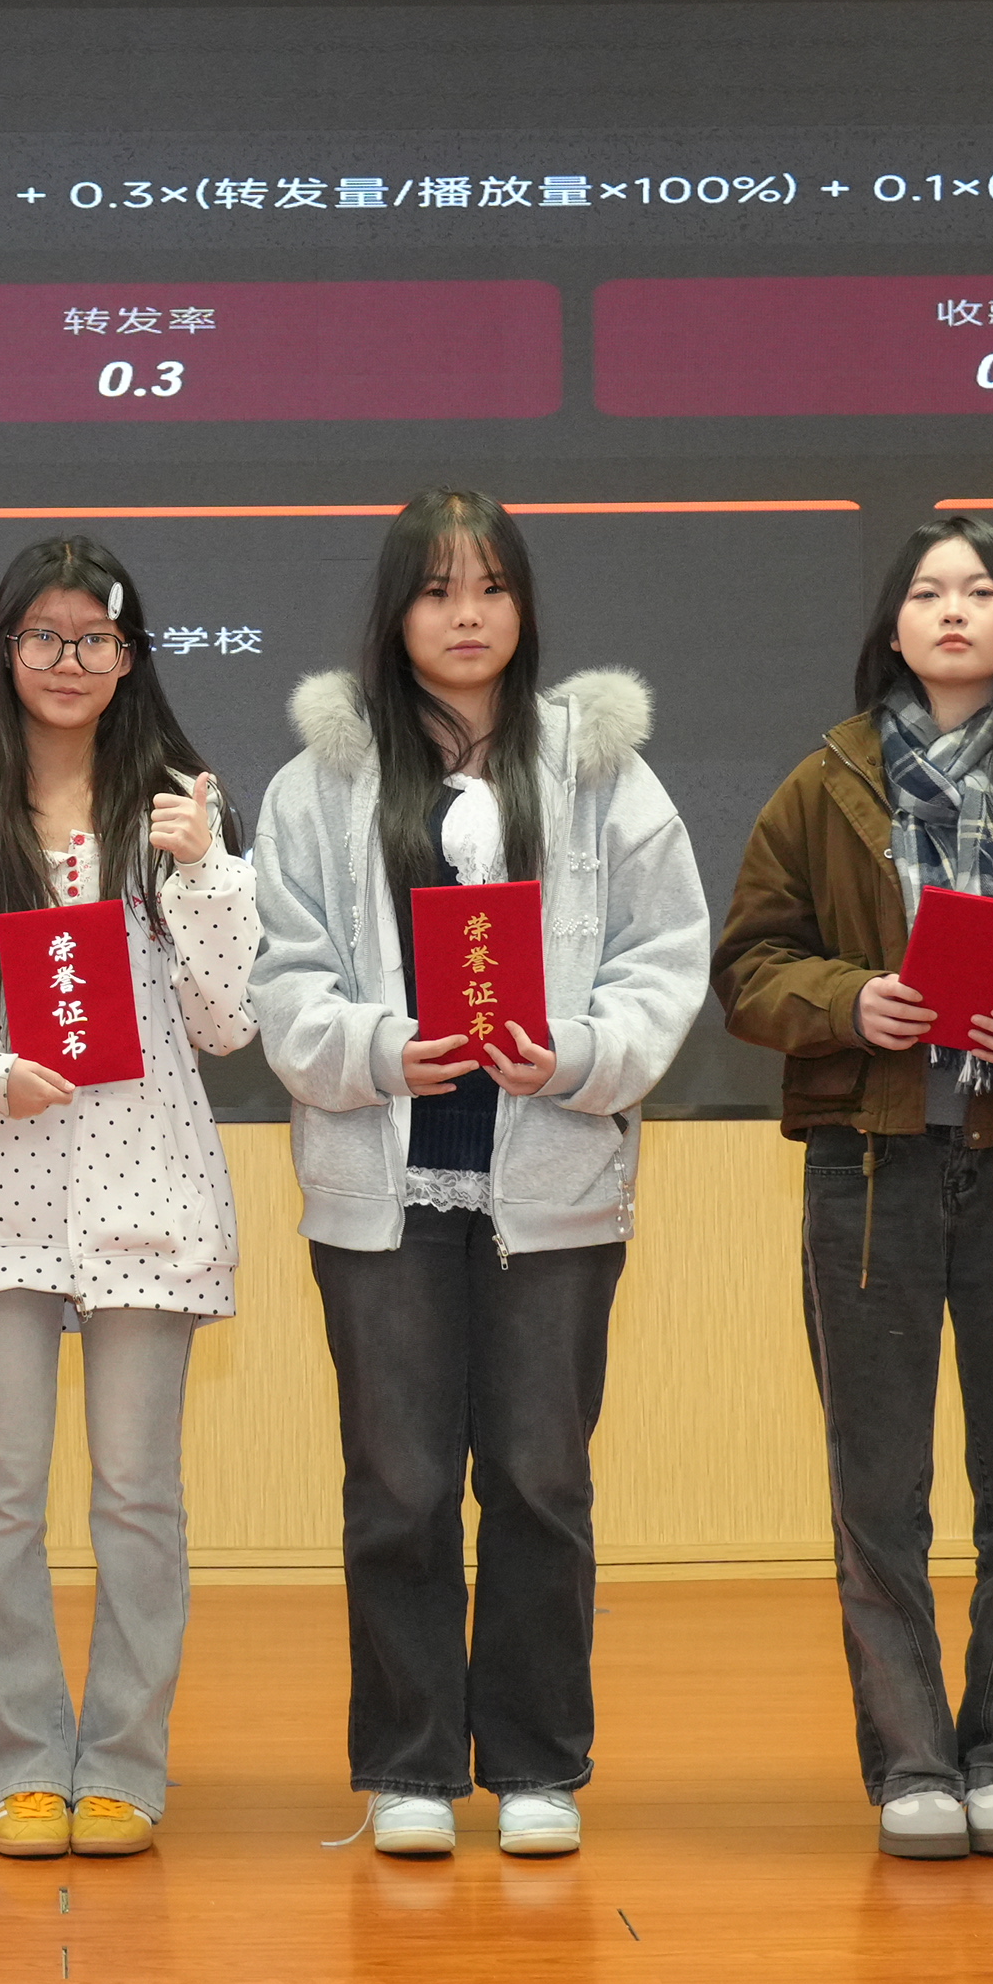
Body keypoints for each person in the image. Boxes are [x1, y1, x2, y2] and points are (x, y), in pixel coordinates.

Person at [249, 490, 711, 1861]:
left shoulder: (602, 773)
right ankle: (408, 1766)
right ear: (394, 612)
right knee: (396, 1488)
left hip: (552, 1185)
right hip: (380, 1184)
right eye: (438, 589)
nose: (466, 615)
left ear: (525, 608)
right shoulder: (316, 782)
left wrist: (575, 1053)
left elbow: (665, 956)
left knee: (540, 1481)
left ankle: (535, 1764)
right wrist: (380, 1048)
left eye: (492, 587)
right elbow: (281, 975)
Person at [715, 517, 993, 1861]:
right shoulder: (822, 786)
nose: (953, 610)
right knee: (879, 1486)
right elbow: (750, 969)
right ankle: (912, 1761)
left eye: (978, 591)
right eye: (926, 592)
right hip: (870, 1164)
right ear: (893, 628)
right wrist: (854, 1001)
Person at [0, 538, 256, 1862]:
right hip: (0, 1185)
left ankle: (128, 1768)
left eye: (97, 638)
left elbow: (226, 1023)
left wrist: (204, 871)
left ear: (132, 657)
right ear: (1, 650)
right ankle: (25, 1765)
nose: (70, 660)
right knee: (0, 1494)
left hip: (150, 1182)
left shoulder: (180, 809)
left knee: (139, 1494)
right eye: (45, 635)